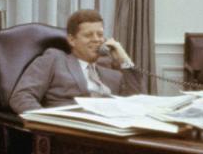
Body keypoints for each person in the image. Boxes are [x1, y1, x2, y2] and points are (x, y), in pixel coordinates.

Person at [9, 9, 142, 114]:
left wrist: (124, 60)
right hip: (72, 133)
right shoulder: (54, 59)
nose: (97, 40)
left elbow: (136, 101)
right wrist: (48, 125)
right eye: (88, 35)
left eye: (100, 35)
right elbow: (21, 97)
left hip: (111, 132)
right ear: (72, 40)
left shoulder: (110, 68)